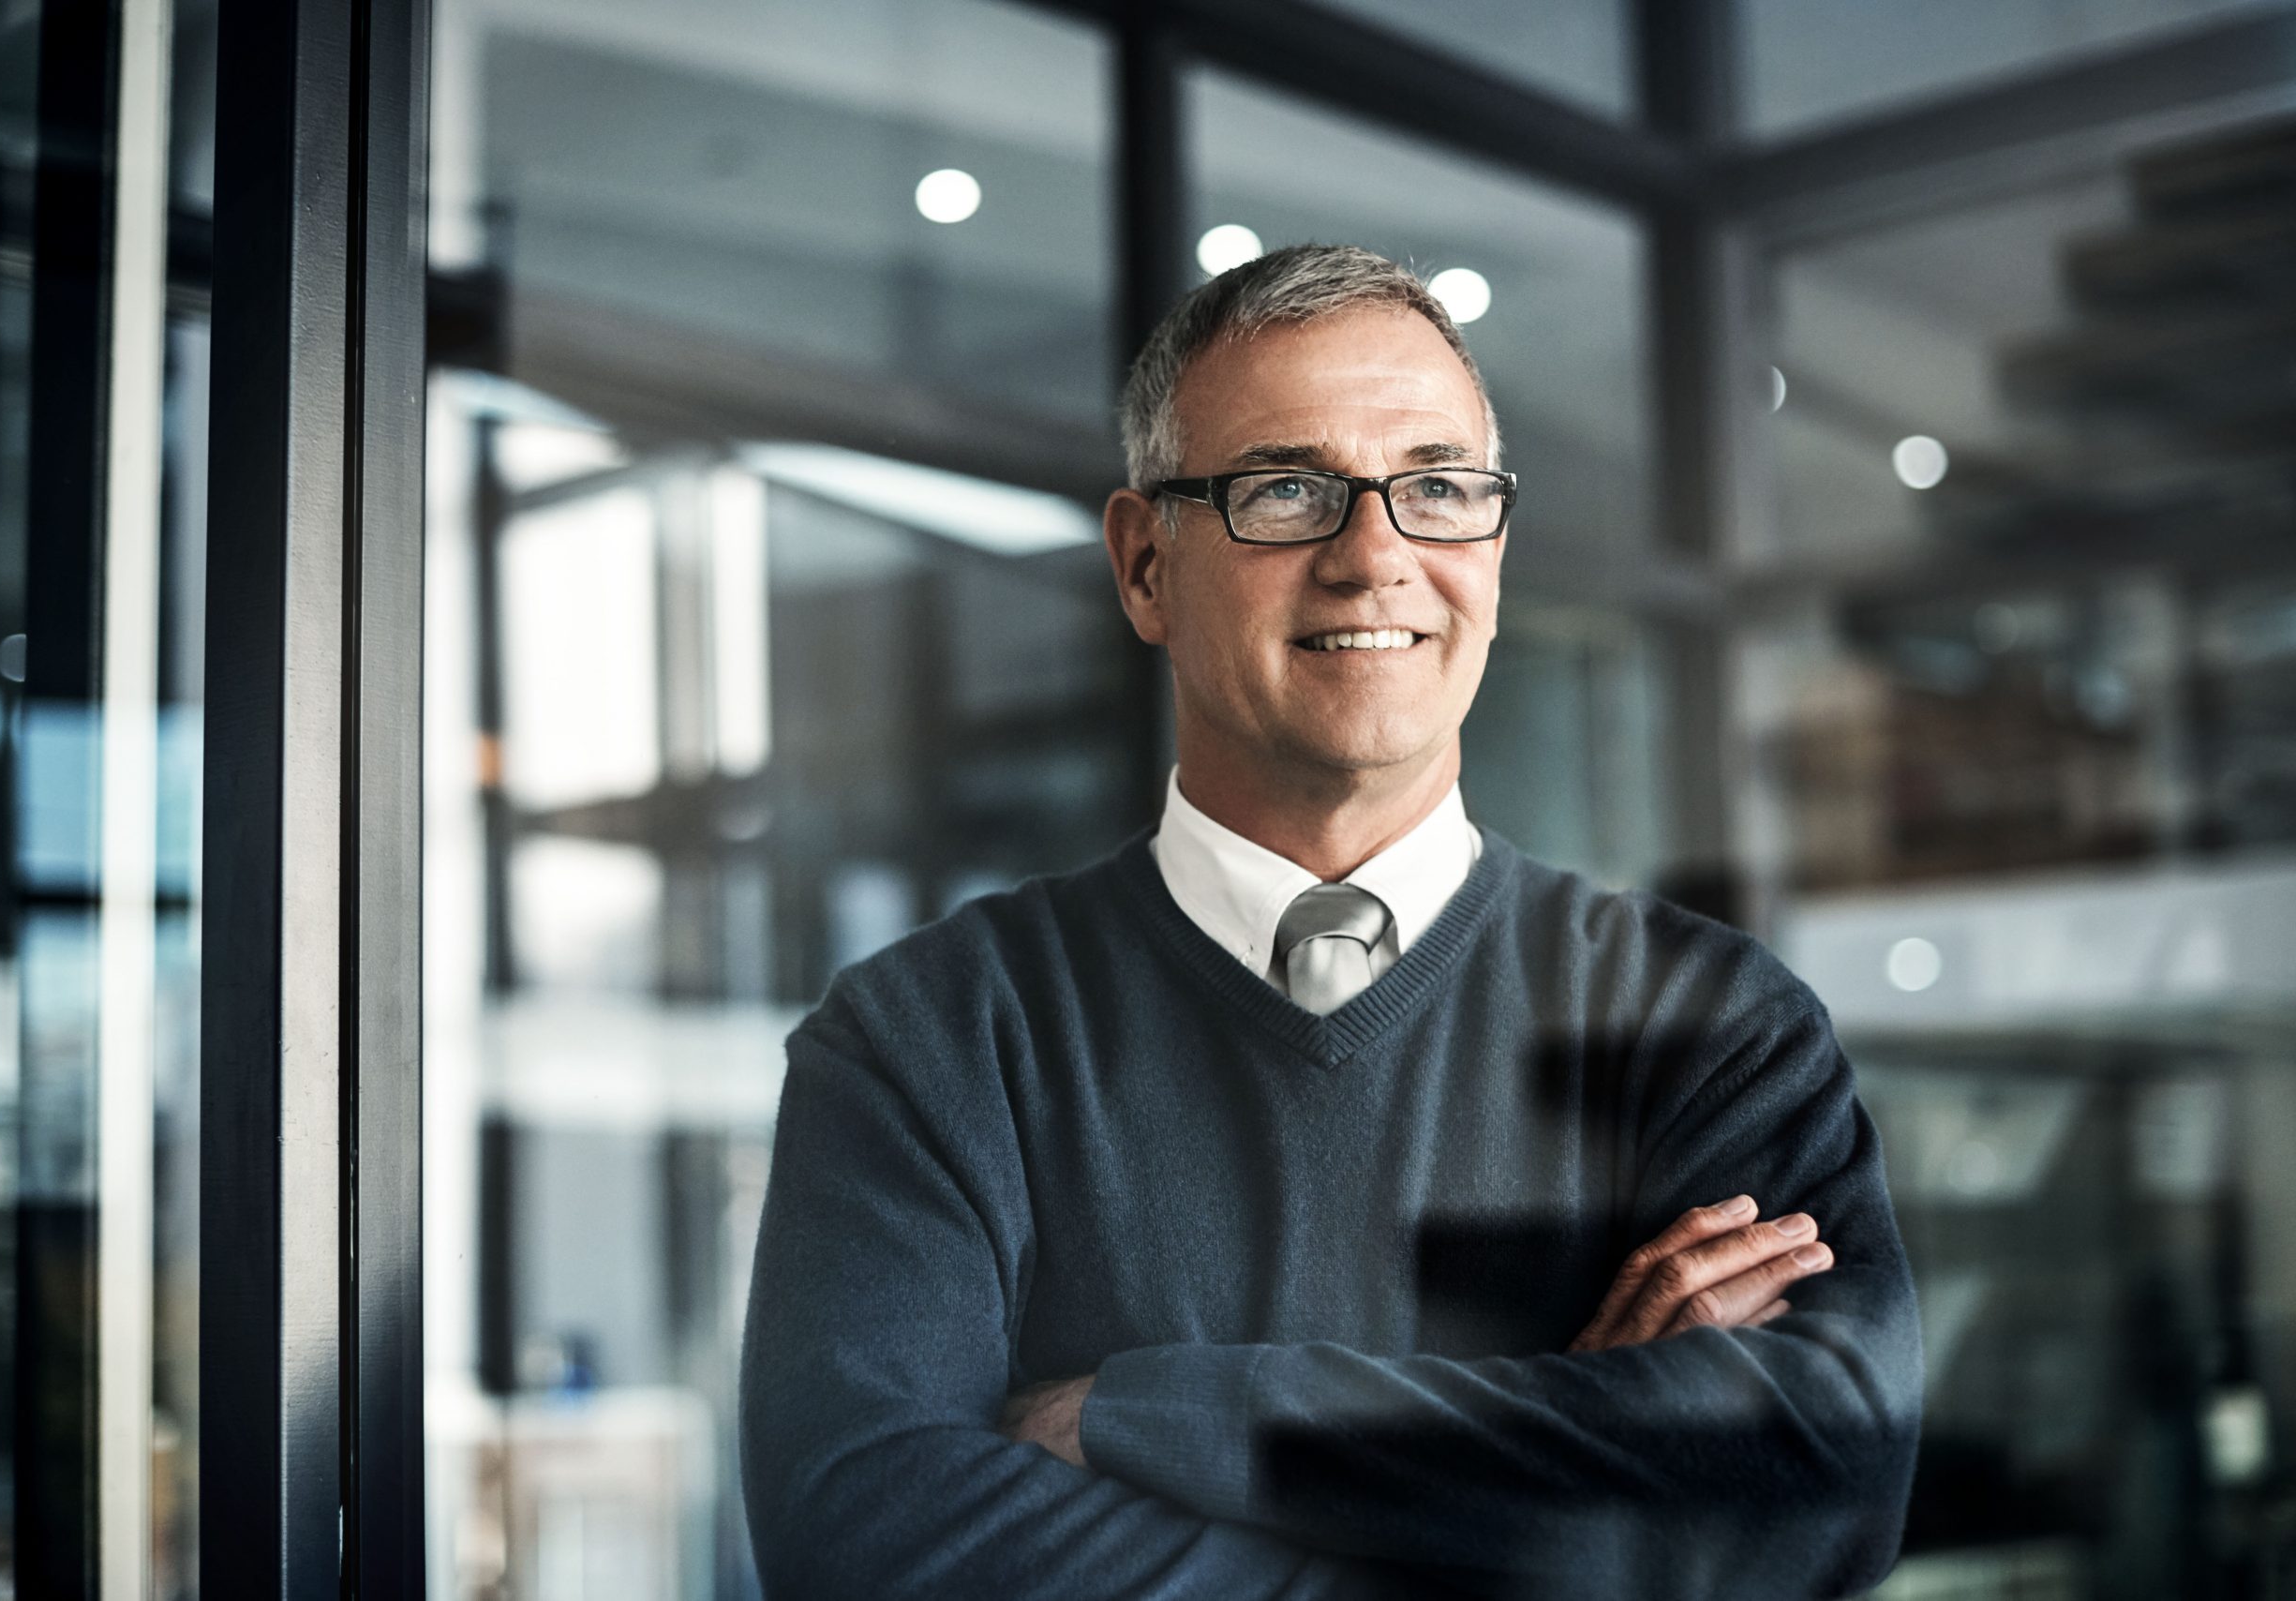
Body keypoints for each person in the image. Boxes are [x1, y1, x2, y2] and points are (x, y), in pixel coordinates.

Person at [738, 245, 1921, 1599]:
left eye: (1437, 489)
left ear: (1493, 546)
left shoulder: (1714, 1025)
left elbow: (1813, 1499)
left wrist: (1168, 1415)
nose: (1375, 558)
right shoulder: (928, 1041)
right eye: (1286, 491)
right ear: (1143, 567)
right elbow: (874, 1549)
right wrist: (1553, 1520)